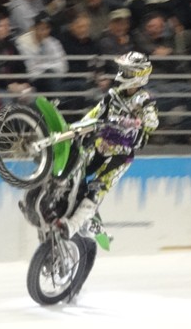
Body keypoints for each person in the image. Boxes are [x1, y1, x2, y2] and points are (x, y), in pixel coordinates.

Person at [56, 52, 160, 238]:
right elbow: (94, 114)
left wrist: (141, 118)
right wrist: (73, 129)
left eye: (127, 71)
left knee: (98, 187)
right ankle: (52, 199)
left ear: (138, 75)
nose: (122, 73)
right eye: (123, 69)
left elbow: (153, 123)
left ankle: (72, 226)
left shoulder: (144, 99)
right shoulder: (113, 95)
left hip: (121, 155)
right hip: (99, 144)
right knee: (73, 169)